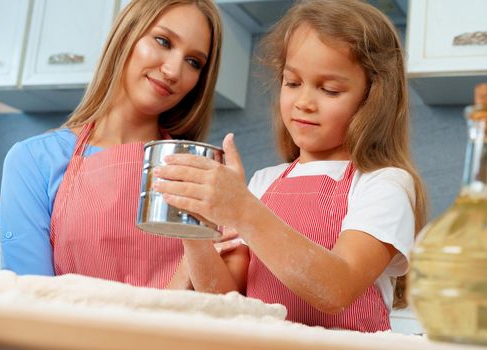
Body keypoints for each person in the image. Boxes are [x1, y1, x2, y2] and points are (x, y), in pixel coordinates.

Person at [156, 0, 428, 331]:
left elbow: (336, 289)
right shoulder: (263, 182)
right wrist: (195, 226)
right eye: (292, 82)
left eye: (329, 89)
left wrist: (243, 210)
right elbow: (227, 301)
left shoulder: (384, 185)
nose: (303, 102)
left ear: (373, 99)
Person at [0, 0, 223, 288]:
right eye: (163, 41)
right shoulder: (32, 160)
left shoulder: (196, 173)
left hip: (171, 333)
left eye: (194, 62)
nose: (173, 71)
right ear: (126, 34)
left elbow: (218, 302)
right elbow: (31, 298)